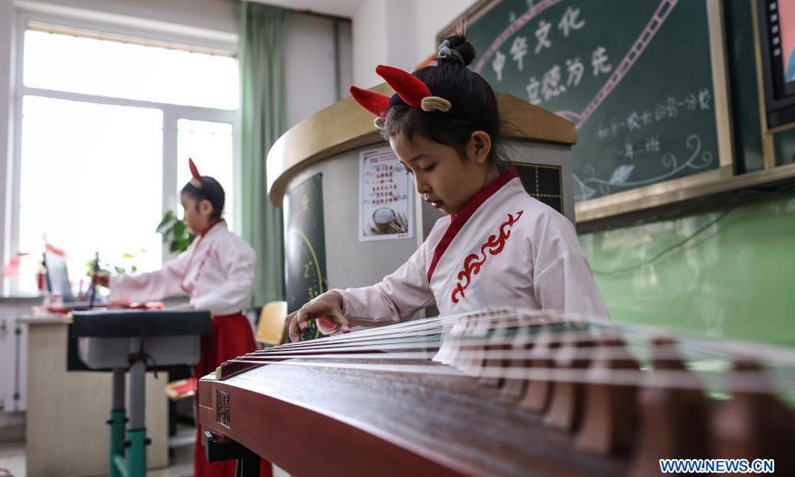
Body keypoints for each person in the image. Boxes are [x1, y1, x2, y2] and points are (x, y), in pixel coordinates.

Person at [289, 34, 608, 341]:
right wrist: (339, 301)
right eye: (408, 171)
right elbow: (390, 299)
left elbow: (588, 339)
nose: (420, 186)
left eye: (427, 166)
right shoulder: (442, 236)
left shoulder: (541, 227)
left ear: (478, 146)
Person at [96, 159, 268, 477]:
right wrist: (116, 283)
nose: (183, 216)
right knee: (211, 413)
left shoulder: (232, 246)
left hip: (228, 332)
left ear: (205, 207)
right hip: (206, 328)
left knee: (229, 413)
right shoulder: (199, 248)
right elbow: (163, 278)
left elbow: (240, 288)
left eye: (186, 208)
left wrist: (197, 306)